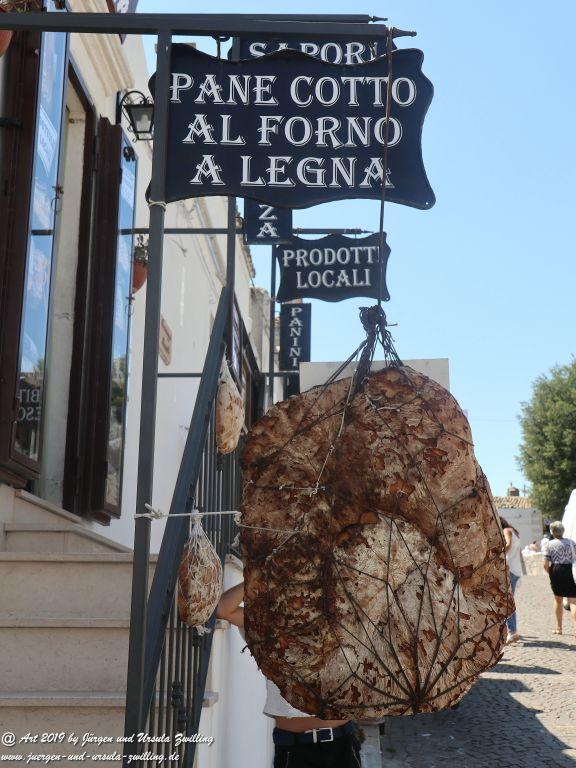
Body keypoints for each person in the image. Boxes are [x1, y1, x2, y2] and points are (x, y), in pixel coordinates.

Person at [217, 582, 362, 768]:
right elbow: (223, 609)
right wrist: (257, 577)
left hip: (340, 745)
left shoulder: (335, 618)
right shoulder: (267, 622)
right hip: (293, 750)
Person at [542, 521, 576, 635]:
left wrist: (550, 573)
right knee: (573, 600)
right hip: (568, 570)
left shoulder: (549, 544)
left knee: (558, 599)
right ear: (563, 531)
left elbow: (545, 564)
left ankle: (559, 627)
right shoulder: (571, 543)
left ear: (552, 532)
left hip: (555, 570)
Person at [500, 517, 522, 643]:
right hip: (515, 569)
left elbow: (508, 544)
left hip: (509, 569)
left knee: (507, 601)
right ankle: (511, 630)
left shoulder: (507, 531)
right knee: (509, 600)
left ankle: (512, 631)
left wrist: (499, 554)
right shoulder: (515, 532)